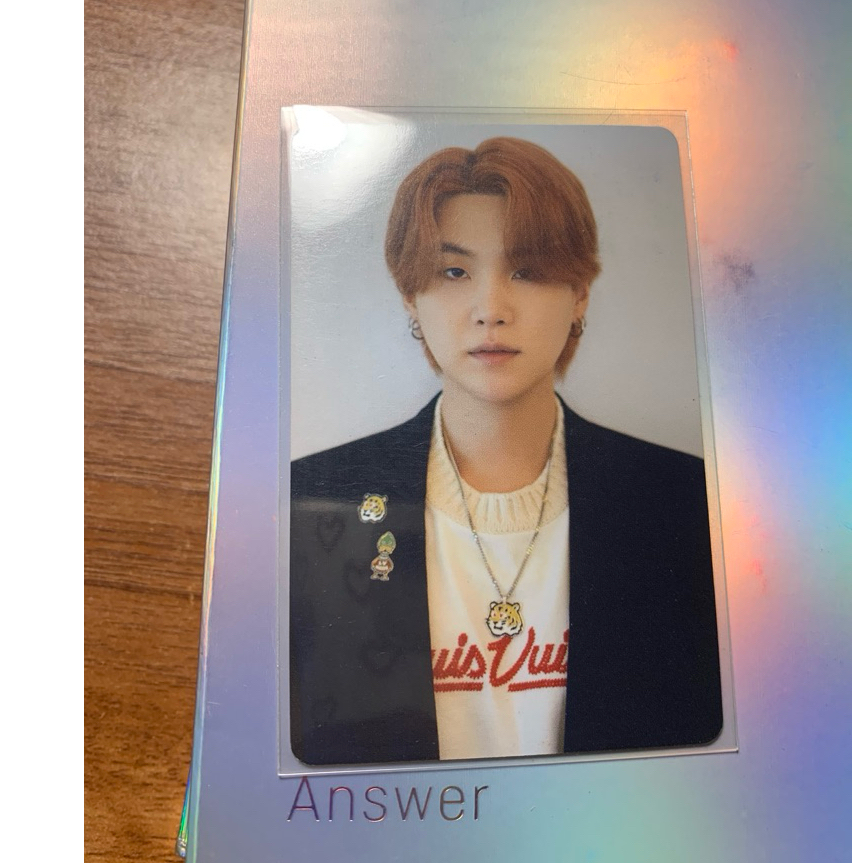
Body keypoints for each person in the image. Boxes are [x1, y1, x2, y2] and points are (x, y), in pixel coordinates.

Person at [290, 136, 722, 765]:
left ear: (580, 294)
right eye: (454, 272)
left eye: (527, 270)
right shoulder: (312, 502)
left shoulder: (686, 504)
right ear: (411, 296)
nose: (491, 309)